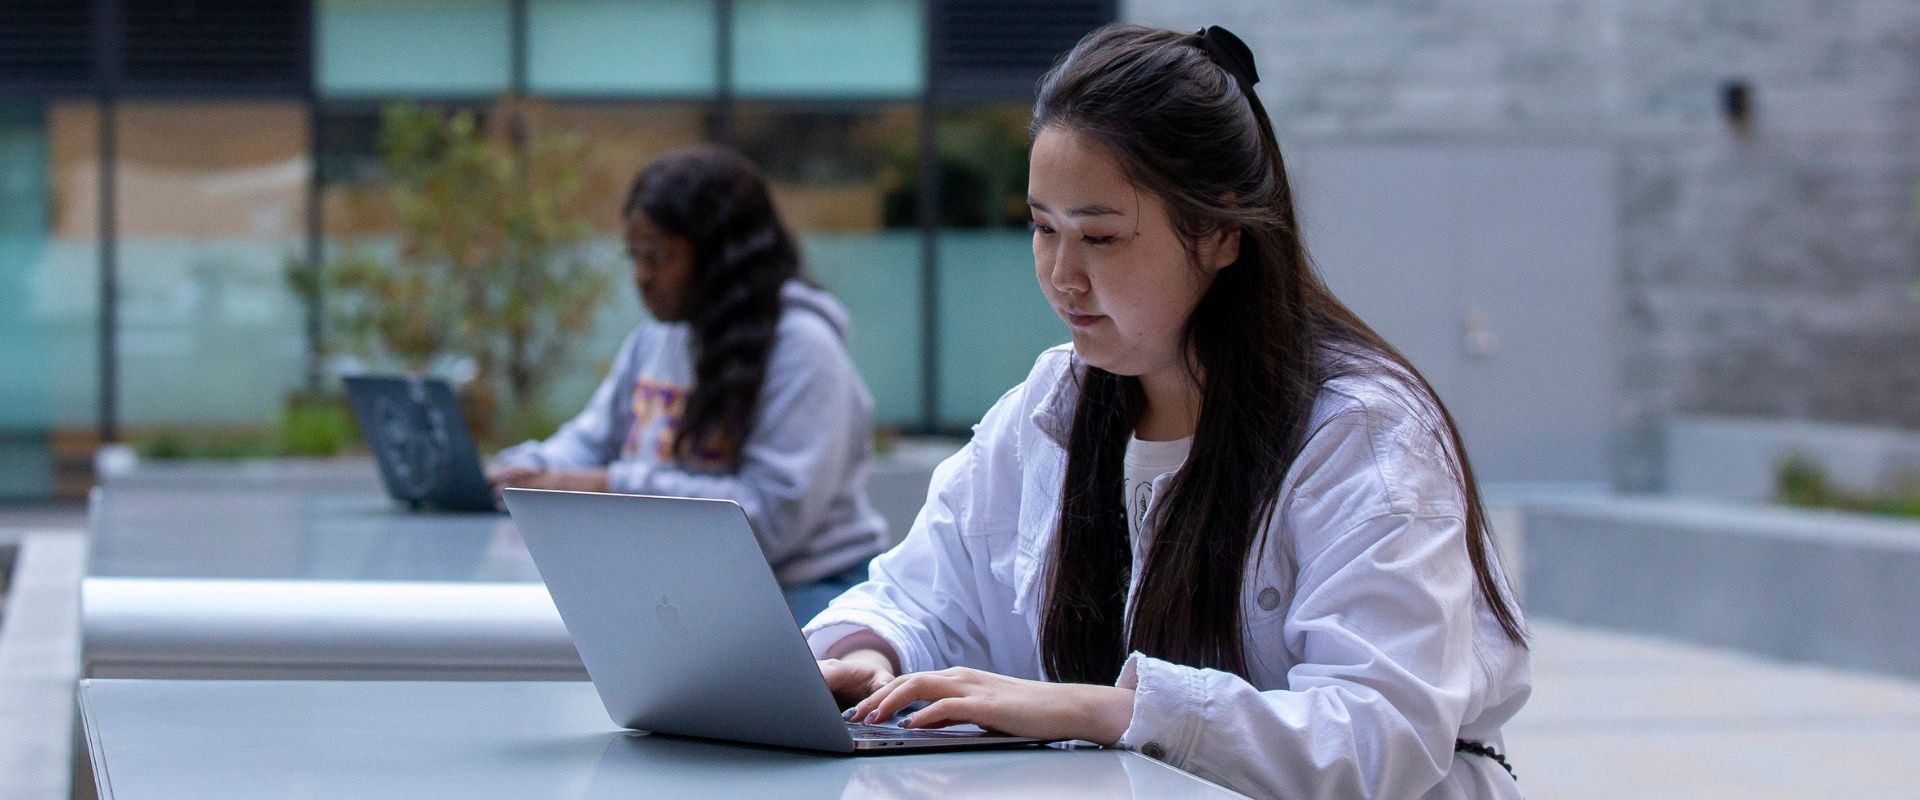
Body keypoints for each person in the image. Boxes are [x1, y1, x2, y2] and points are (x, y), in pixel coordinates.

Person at [803, 24, 1530, 800]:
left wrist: (1107, 710)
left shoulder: (1361, 433)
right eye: (1042, 228)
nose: (1061, 276)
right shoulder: (1053, 408)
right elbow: (924, 596)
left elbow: (1379, 735)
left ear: (1219, 231)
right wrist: (871, 651)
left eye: (1101, 237)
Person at [488, 145, 886, 622]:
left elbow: (770, 522)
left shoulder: (802, 349)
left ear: (722, 258)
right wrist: (528, 470)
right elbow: (592, 439)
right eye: (634, 255)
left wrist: (613, 487)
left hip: (810, 593)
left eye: (657, 256)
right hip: (695, 588)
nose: (641, 277)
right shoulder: (657, 338)